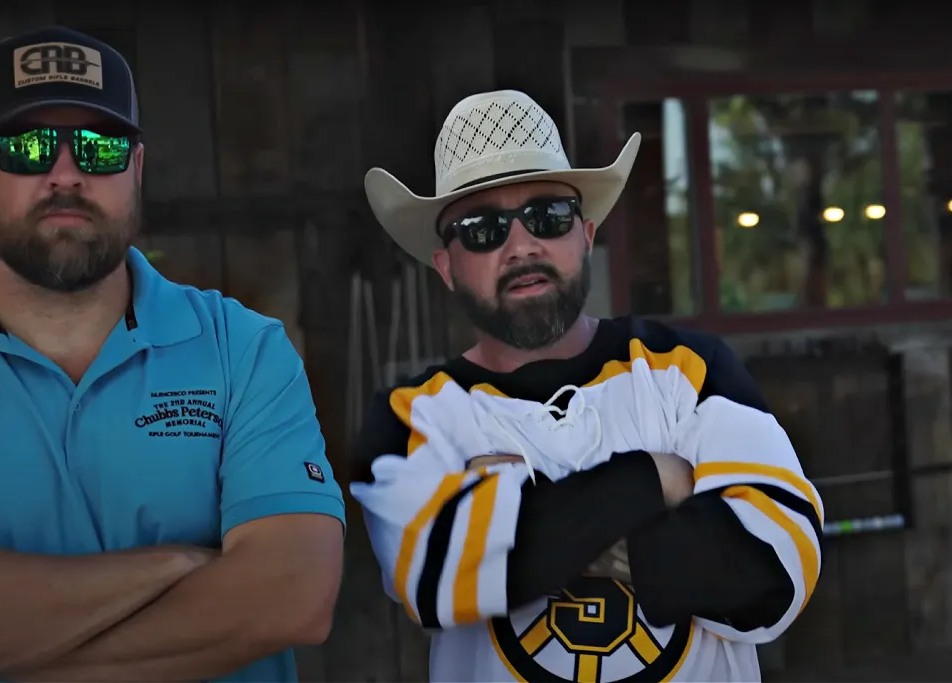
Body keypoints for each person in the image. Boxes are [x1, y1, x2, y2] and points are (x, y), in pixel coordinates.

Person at [0, 27, 345, 683]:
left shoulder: (245, 350)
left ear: (136, 170)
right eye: (28, 147)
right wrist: (179, 563)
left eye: (101, 147)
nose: (66, 172)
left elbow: (292, 598)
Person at [349, 89, 824, 682]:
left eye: (547, 215)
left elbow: (774, 575)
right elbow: (436, 574)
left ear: (586, 234)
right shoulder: (407, 418)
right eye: (481, 228)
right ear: (446, 265)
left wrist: (510, 525)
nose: (521, 245)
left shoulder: (691, 368)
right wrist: (657, 476)